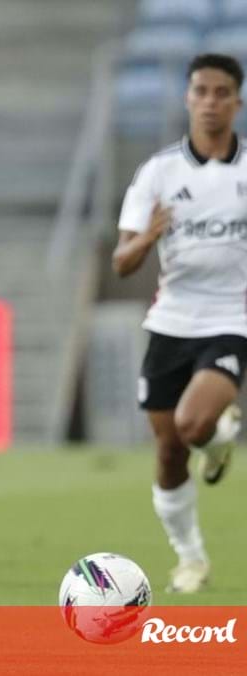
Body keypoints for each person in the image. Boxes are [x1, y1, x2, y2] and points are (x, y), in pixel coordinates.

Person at [111, 52, 246, 594]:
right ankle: (191, 558)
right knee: (169, 451)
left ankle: (213, 435)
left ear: (237, 101)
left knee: (192, 424)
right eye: (200, 91)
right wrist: (146, 237)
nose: (210, 101)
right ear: (188, 98)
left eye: (221, 92)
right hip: (170, 321)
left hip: (233, 317)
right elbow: (122, 263)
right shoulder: (158, 173)